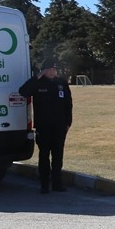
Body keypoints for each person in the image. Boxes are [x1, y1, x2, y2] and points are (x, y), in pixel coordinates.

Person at [19, 59, 73, 193]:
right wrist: (37, 76)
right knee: (44, 156)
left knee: (58, 156)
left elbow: (68, 104)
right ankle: (44, 185)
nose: (53, 71)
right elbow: (23, 91)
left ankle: (57, 183)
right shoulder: (38, 83)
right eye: (50, 69)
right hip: (43, 127)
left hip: (59, 126)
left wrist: (68, 122)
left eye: (55, 69)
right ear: (44, 70)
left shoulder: (61, 83)